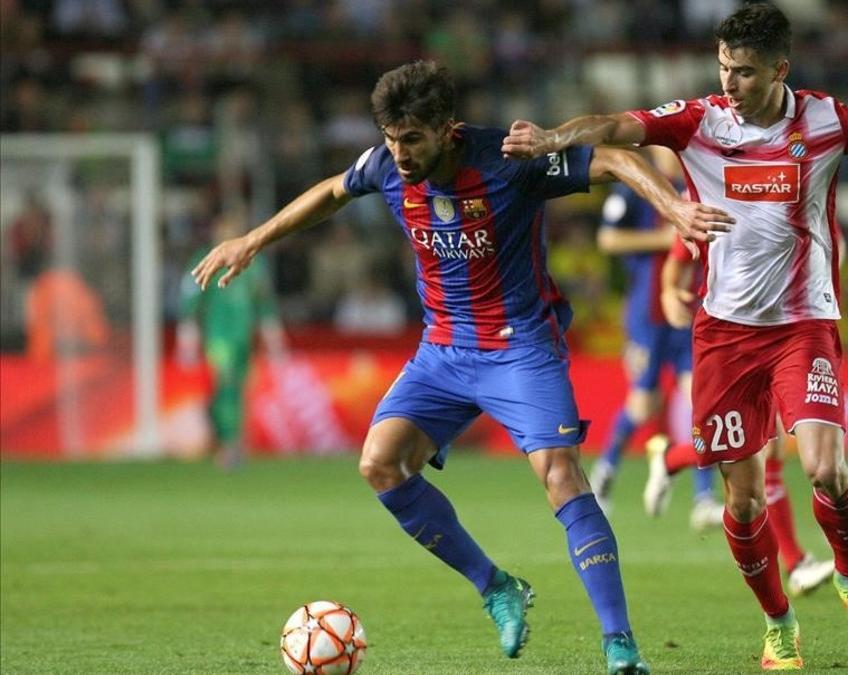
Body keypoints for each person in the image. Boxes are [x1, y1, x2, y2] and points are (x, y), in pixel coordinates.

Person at [502, 4, 848, 669]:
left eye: (743, 72)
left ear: (780, 69)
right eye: (724, 68)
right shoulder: (701, 120)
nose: (730, 82)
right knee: (740, 502)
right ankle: (778, 622)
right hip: (724, 336)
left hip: (804, 324)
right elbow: (617, 127)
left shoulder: (827, 119)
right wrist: (551, 139)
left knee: (824, 466)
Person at [191, 61, 731, 674]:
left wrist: (675, 211)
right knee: (379, 464)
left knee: (560, 476)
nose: (398, 154)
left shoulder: (506, 161)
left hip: (520, 346)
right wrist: (252, 241)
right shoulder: (386, 165)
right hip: (443, 352)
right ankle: (496, 587)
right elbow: (331, 192)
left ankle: (620, 645)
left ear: (447, 130)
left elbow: (611, 158)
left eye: (411, 140)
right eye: (391, 139)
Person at [647, 237, 837, 597]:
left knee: (771, 448)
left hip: (787, 334)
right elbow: (678, 254)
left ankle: (796, 563)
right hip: (730, 341)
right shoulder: (718, 197)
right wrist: (670, 291)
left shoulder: (798, 198)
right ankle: (795, 564)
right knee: (753, 451)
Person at [589, 146, 723, 530]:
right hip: (648, 312)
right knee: (644, 405)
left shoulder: (700, 185)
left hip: (688, 308)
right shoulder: (636, 187)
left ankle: (703, 498)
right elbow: (608, 240)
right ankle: (605, 470)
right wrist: (665, 239)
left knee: (702, 401)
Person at [177, 210, 287, 469]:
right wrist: (187, 339)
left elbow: (265, 305)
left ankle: (235, 442)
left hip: (244, 338)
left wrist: (274, 339)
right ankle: (228, 445)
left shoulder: (254, 264)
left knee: (239, 391)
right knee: (225, 386)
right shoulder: (206, 259)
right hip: (219, 336)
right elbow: (190, 300)